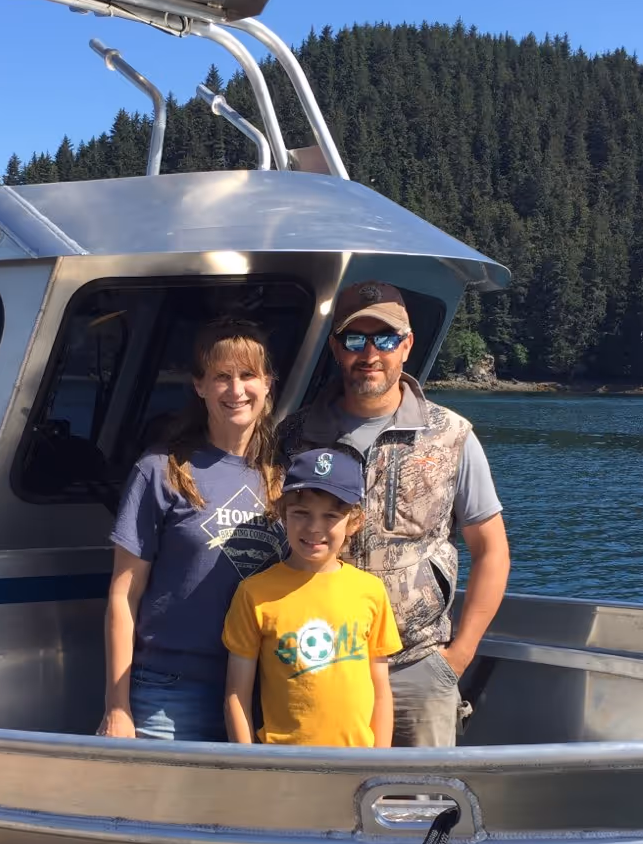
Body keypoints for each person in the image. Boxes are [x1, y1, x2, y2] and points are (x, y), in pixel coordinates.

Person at [277, 280, 510, 747]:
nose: (370, 354)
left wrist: (457, 658)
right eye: (355, 339)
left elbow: (492, 551)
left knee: (420, 808)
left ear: (407, 345)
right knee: (317, 807)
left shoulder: (451, 435)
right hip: (315, 661)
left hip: (417, 666)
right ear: (335, 348)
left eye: (384, 339)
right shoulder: (294, 435)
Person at [99, 317, 285, 741]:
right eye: (222, 377)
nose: (236, 391)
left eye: (248, 375)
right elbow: (123, 595)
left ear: (268, 383)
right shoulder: (159, 471)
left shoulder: (286, 479)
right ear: (199, 386)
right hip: (169, 695)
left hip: (260, 693)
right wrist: (117, 706)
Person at [222, 447, 401, 747]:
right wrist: (249, 768)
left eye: (331, 516)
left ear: (354, 522)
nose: (314, 528)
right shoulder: (254, 594)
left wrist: (378, 765)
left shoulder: (370, 591)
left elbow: (380, 689)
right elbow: (237, 694)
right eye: (301, 513)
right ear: (282, 515)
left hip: (357, 765)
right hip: (283, 765)